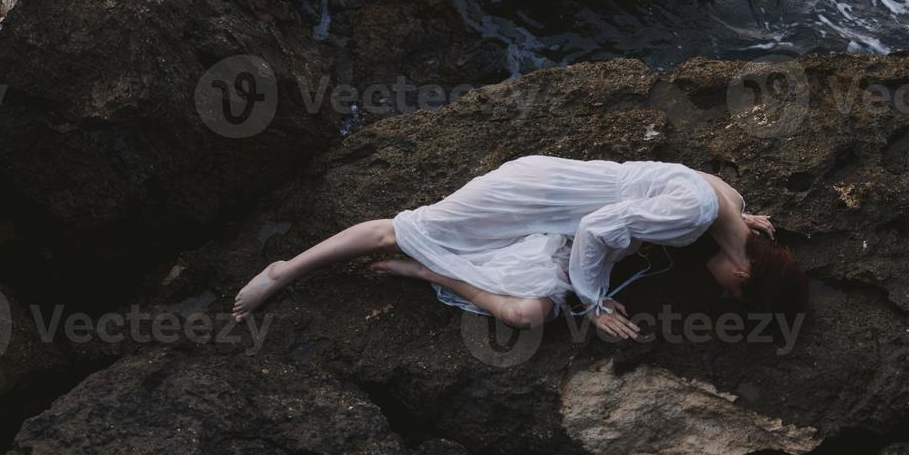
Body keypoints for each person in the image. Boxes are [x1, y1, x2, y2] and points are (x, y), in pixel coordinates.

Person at [230, 155, 806, 340]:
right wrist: (595, 303)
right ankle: (286, 270)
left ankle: (426, 272)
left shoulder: (728, 205)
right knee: (405, 229)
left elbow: (705, 192)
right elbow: (599, 229)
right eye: (733, 294)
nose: (721, 293)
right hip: (537, 195)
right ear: (745, 273)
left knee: (528, 308)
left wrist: (738, 218)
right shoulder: (704, 214)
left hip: (558, 215)